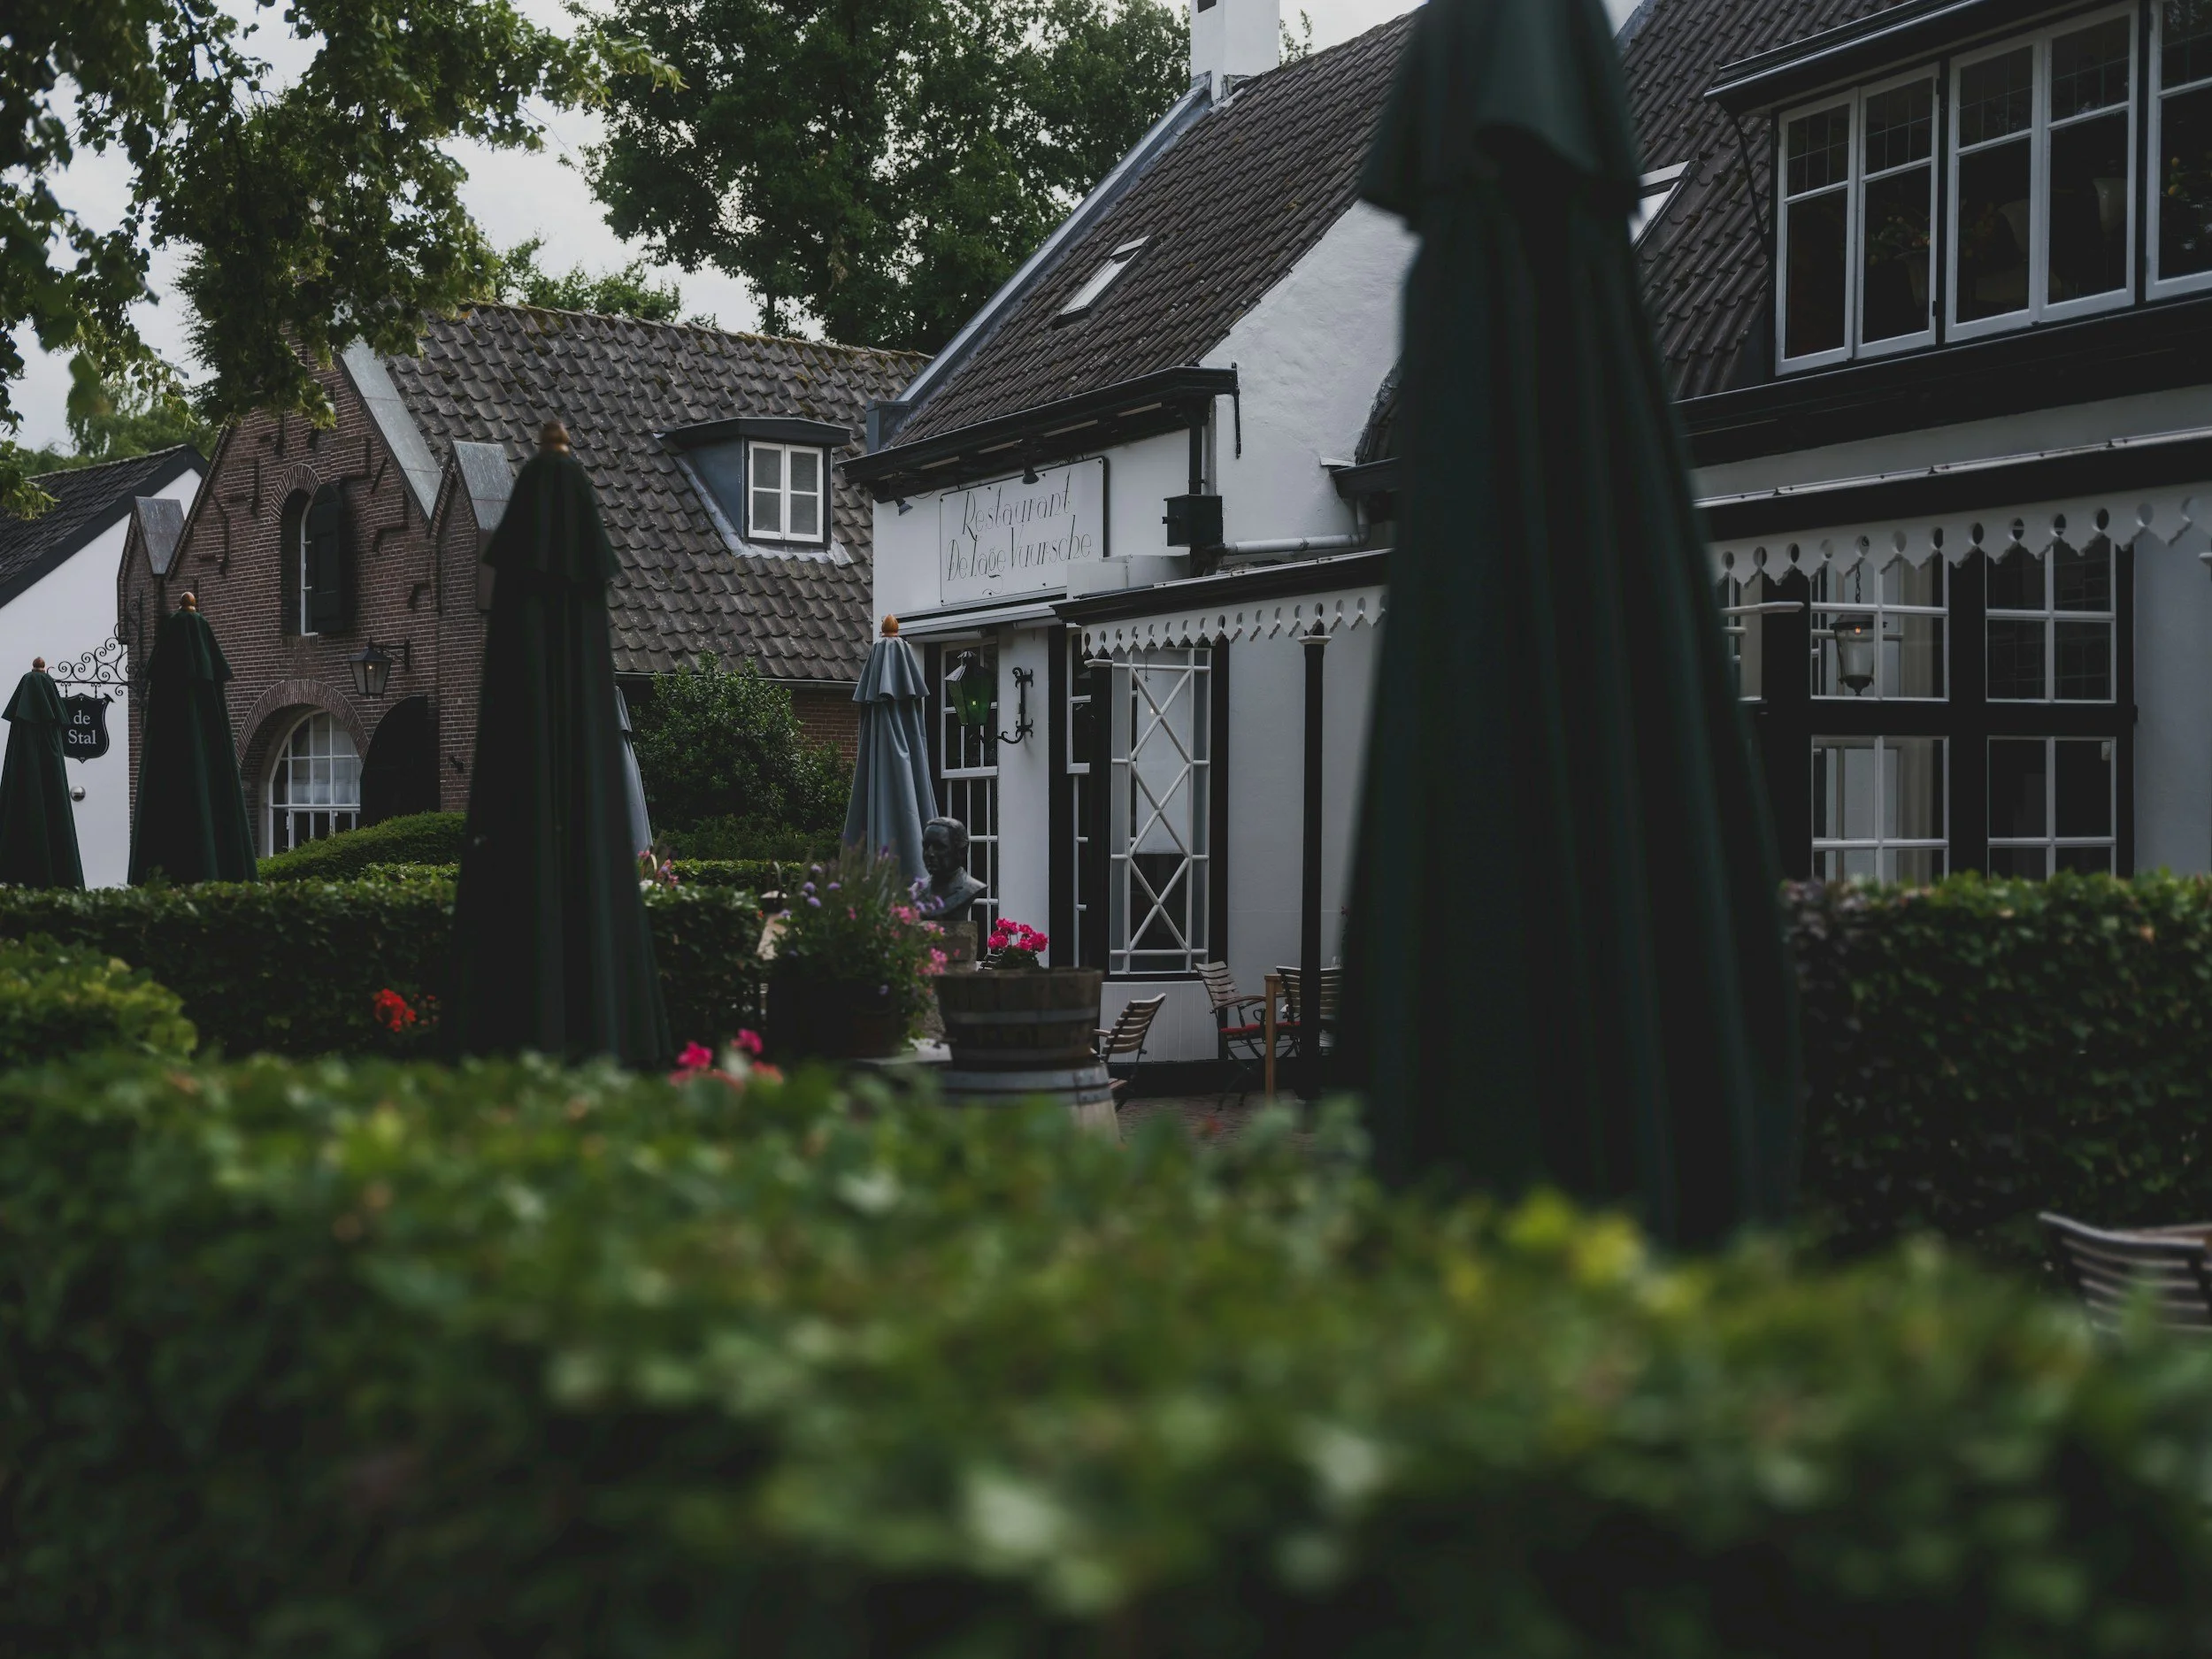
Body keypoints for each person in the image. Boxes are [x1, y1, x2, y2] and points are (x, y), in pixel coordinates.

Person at [920, 816, 986, 924]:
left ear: (961, 852)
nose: (930, 854)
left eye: (939, 847)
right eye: (926, 846)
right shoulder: (916, 891)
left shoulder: (971, 888)